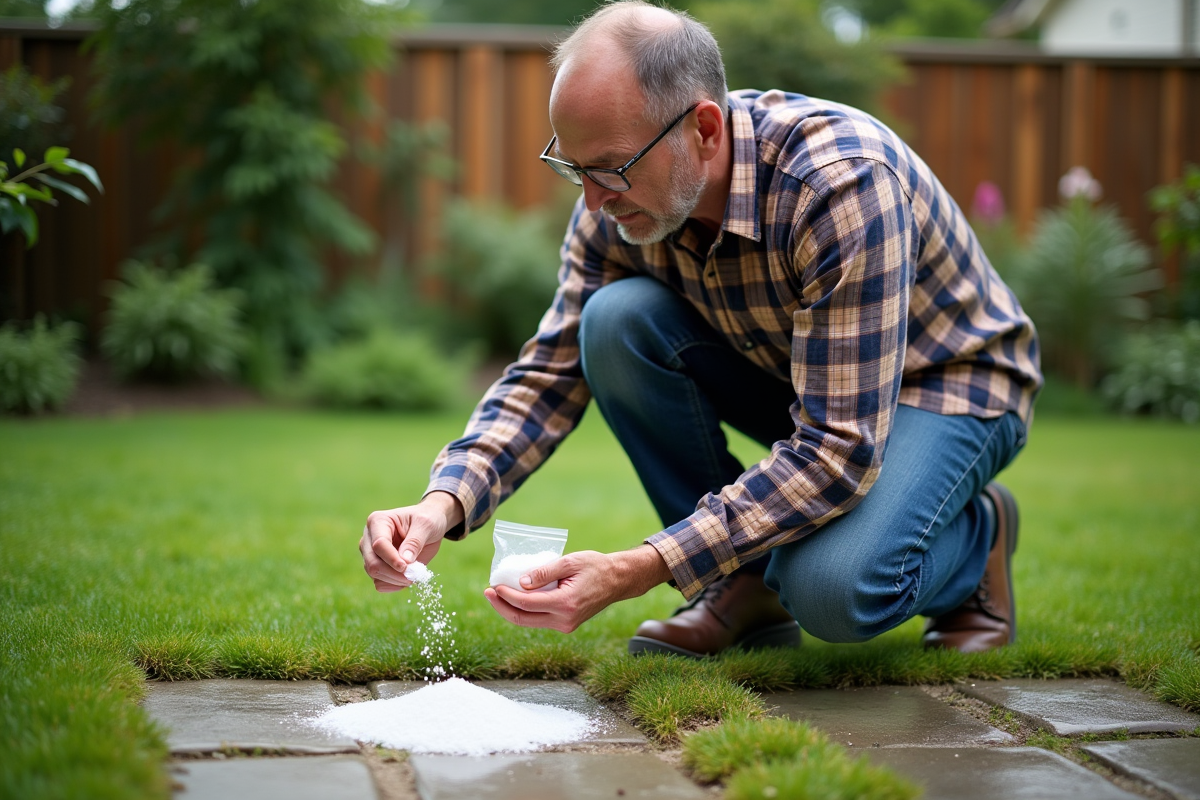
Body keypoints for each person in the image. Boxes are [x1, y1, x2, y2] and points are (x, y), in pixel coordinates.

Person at [359, 0, 1042, 657]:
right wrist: (441, 504)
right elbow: (549, 374)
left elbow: (838, 449)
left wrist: (645, 566)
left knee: (832, 591)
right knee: (614, 323)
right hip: (807, 384)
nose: (593, 201)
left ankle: (977, 548)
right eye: (574, 168)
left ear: (706, 130)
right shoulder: (623, 210)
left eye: (611, 169)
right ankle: (741, 587)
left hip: (949, 385)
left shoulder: (839, 184)